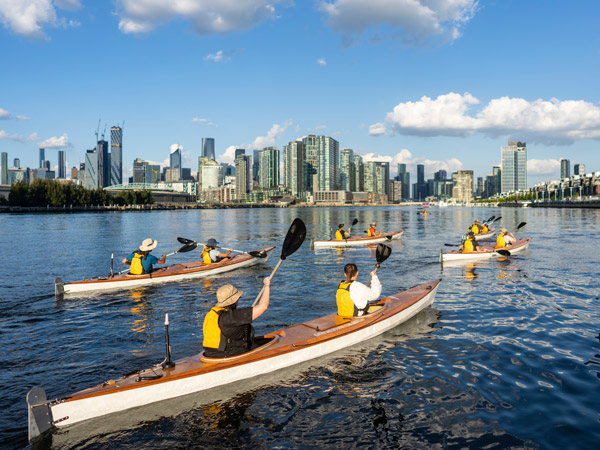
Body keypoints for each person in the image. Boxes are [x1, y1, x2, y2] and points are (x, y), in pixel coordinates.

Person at [202, 277, 271, 358]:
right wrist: (267, 285)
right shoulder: (231, 317)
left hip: (210, 353)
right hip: (226, 355)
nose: (238, 301)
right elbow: (263, 307)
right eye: (238, 299)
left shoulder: (212, 313)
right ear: (234, 301)